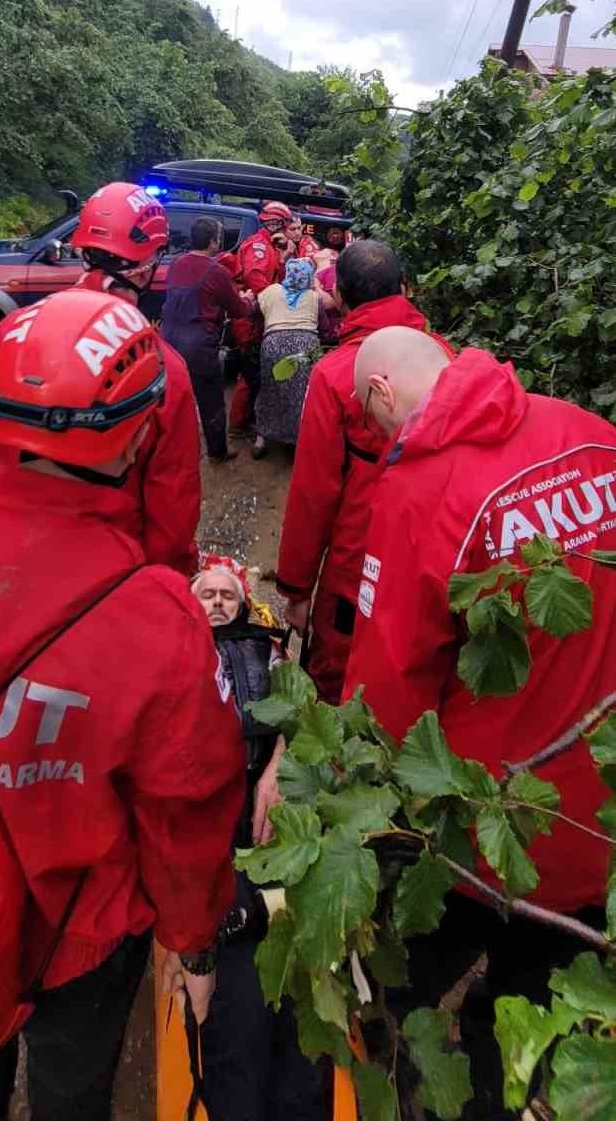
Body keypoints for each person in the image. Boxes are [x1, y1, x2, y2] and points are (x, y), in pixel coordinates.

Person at [0, 287, 245, 1121]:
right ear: (144, 431)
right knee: (73, 1092)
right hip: (73, 933)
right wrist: (192, 942)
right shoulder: (153, 617)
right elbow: (186, 811)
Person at [344, 326, 616, 1119]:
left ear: (383, 394)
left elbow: (388, 685)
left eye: (371, 420)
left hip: (480, 822)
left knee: (416, 986)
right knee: (546, 1005)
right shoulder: (587, 432)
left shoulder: (421, 490)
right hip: (598, 807)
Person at [0, 181, 201, 577]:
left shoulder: (10, 330)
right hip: (104, 569)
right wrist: (168, 583)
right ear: (148, 264)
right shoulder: (159, 364)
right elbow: (173, 497)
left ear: (80, 249)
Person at [169, 553, 330, 1121]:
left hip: (263, 806)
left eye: (227, 595)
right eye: (205, 594)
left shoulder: (269, 649)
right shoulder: (168, 654)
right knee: (235, 1007)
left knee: (292, 998)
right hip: (204, 817)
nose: (216, 602)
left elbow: (312, 715)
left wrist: (279, 764)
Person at [276, 239, 452, 702]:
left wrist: (296, 588)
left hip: (358, 559)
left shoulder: (336, 374)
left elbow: (314, 492)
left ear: (340, 299)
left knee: (337, 680)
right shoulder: (445, 358)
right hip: (436, 551)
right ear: (406, 287)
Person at [160, 216, 254, 464]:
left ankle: (167, 451)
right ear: (213, 242)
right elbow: (238, 310)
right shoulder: (216, 271)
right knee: (210, 400)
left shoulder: (176, 264)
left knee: (171, 398)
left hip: (167, 340)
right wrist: (248, 298)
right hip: (198, 344)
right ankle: (217, 452)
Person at [226, 201, 294, 433]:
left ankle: (244, 419)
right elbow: (257, 281)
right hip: (250, 319)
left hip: (257, 316)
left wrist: (284, 257)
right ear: (276, 223)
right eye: (284, 225)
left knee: (253, 371)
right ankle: (238, 424)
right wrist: (276, 304)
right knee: (249, 373)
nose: (285, 231)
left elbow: (277, 278)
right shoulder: (259, 247)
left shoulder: (269, 247)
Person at [252, 257, 324, 460]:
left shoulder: (272, 291)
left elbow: (254, 312)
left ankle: (261, 439)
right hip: (306, 345)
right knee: (301, 393)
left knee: (270, 388)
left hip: (273, 343)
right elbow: (324, 325)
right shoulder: (313, 296)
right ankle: (295, 441)